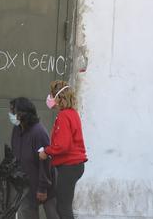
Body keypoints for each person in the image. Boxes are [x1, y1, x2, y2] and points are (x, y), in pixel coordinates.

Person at [39, 80, 88, 219]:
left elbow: (62, 145)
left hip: (69, 166)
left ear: (59, 98)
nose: (50, 98)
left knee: (63, 207)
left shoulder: (64, 115)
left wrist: (46, 151)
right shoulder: (73, 113)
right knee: (62, 204)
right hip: (74, 166)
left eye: (52, 95)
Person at [9, 97, 59, 219]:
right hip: (26, 186)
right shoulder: (17, 129)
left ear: (23, 113)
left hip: (46, 186)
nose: (11, 114)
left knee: (53, 215)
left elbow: (46, 161)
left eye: (13, 111)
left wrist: (42, 188)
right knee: (25, 214)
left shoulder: (38, 132)